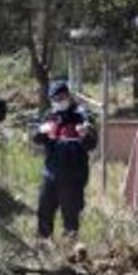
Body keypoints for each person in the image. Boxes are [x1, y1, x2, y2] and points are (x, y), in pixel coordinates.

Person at [33, 81, 97, 242]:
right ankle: (44, 246)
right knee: (44, 211)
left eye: (61, 97)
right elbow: (36, 139)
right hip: (51, 174)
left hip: (73, 176)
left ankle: (71, 250)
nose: (58, 101)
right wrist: (41, 132)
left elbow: (91, 144)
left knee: (70, 215)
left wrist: (84, 135)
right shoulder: (50, 116)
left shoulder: (81, 116)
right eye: (55, 99)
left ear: (68, 96)